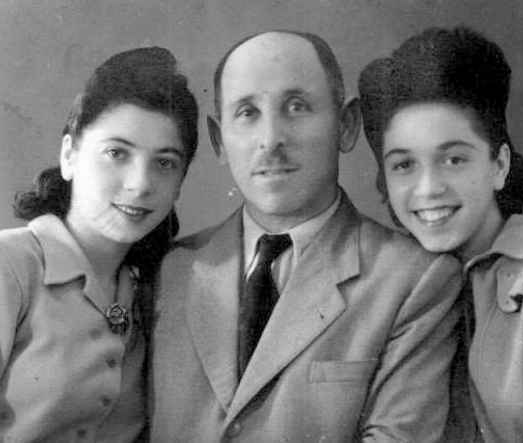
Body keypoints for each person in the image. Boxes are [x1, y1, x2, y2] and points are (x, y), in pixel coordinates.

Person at [149, 30, 462, 442]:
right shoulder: (168, 271)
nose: (271, 140)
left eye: (296, 107)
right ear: (219, 139)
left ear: (346, 125)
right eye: (247, 112)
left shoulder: (415, 280)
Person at [359, 25, 523, 442]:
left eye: (454, 159)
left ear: (499, 165)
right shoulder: (397, 285)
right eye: (404, 165)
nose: (428, 188)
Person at [0, 46, 198, 442]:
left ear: (180, 183)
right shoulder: (12, 265)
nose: (140, 184)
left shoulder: (153, 289)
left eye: (165, 162)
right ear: (69, 156)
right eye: (116, 153)